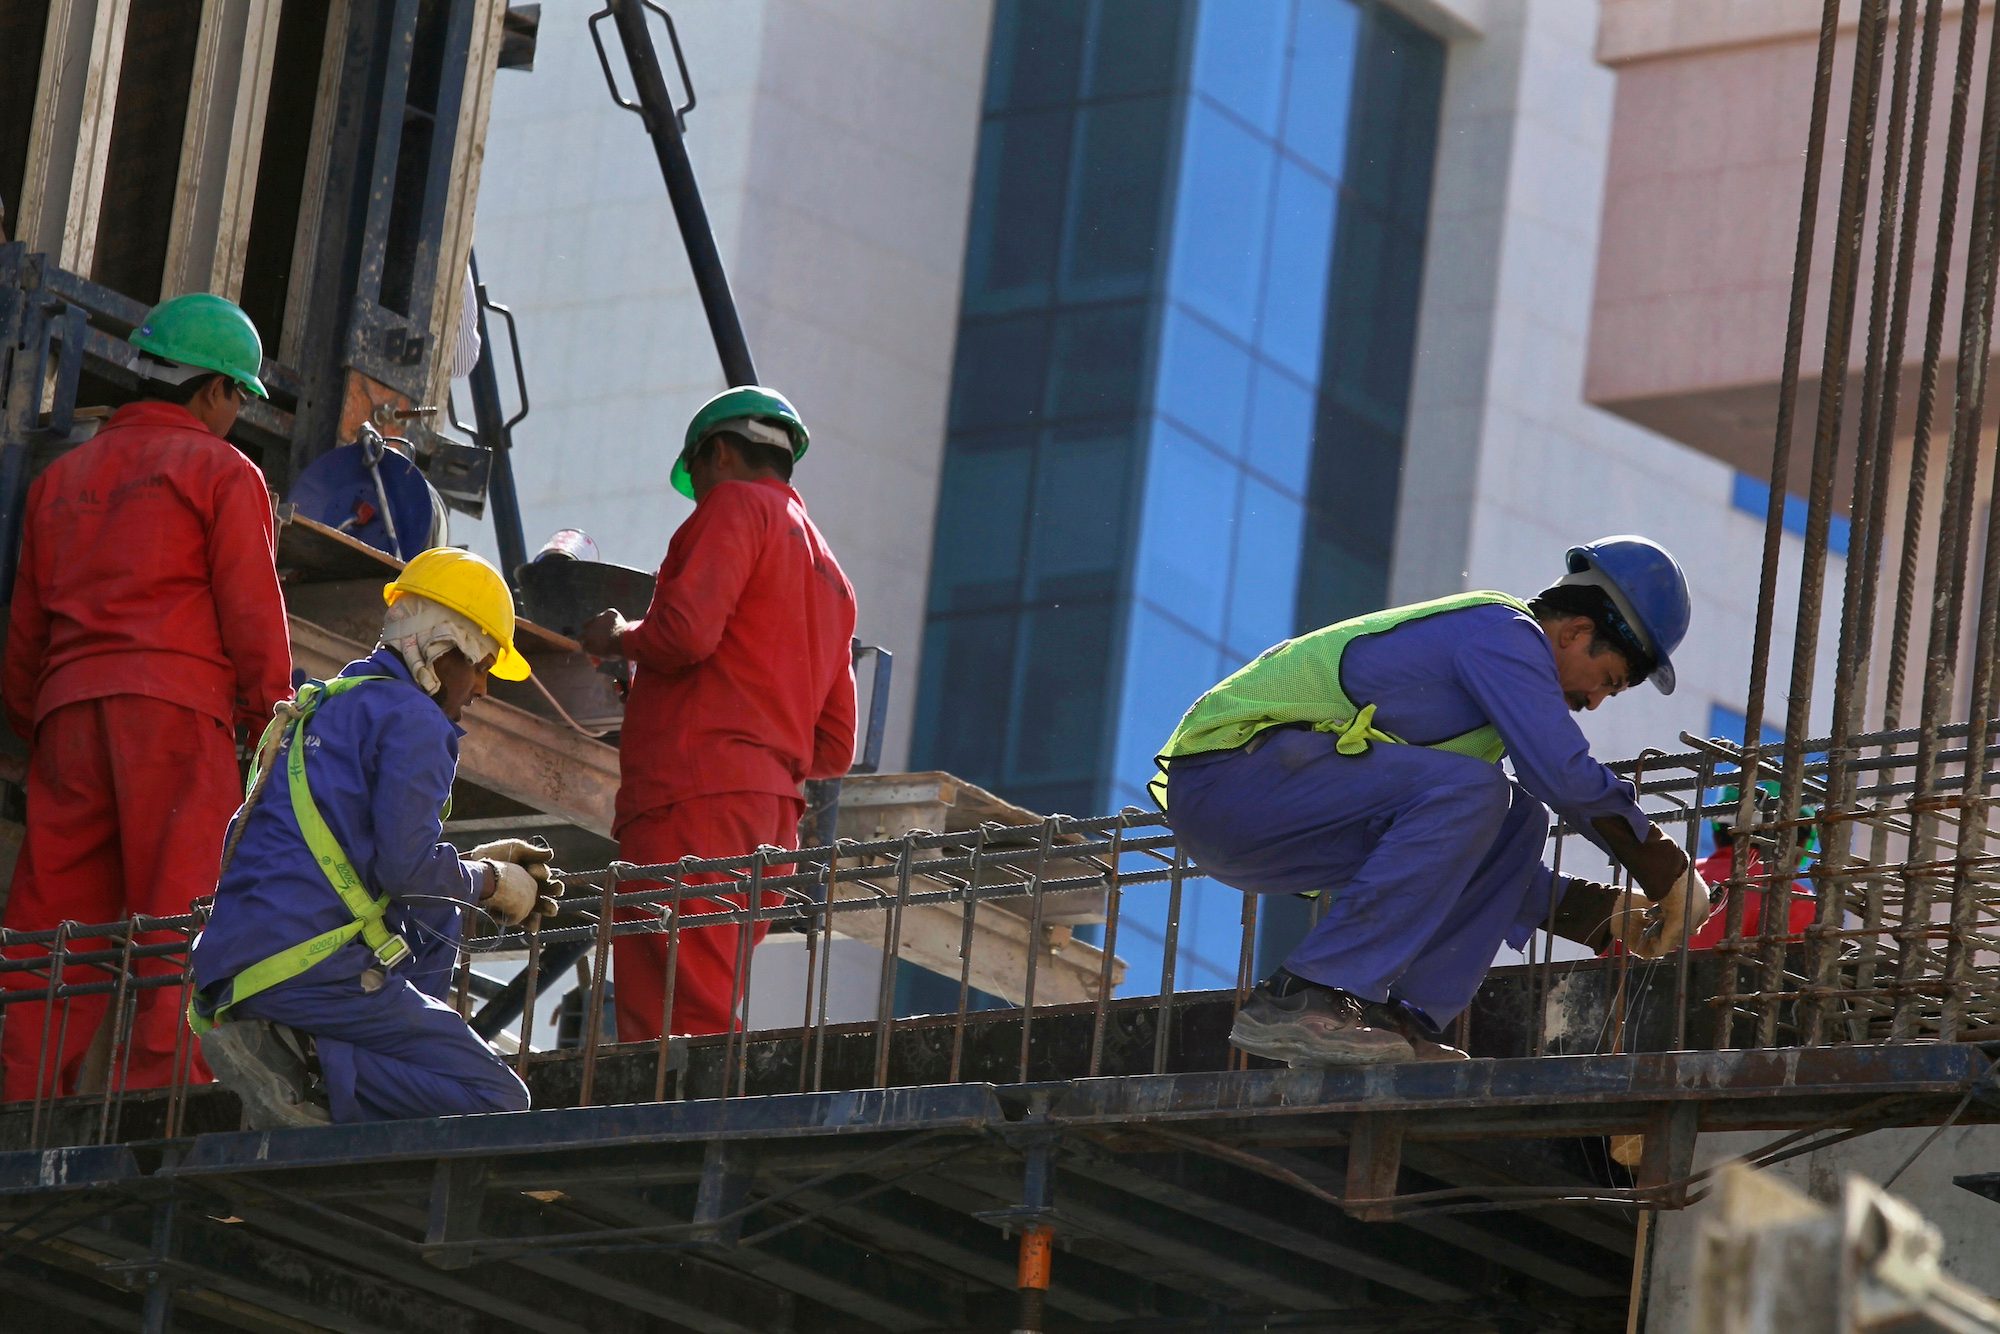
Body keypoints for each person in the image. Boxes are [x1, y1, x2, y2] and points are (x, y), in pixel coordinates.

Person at [1153, 537, 1705, 1066]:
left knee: (1514, 819)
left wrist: (1601, 915)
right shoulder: (1502, 633)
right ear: (1576, 631)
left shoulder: (1476, 728)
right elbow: (1563, 774)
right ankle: (1305, 996)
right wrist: (1668, 870)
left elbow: (1457, 856)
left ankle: (1398, 1022)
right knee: (1481, 793)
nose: (1594, 703)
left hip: (1274, 812)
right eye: (1607, 680)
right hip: (1230, 778)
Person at [1, 293, 291, 1102]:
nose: (239, 418)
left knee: (52, 928)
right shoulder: (223, 473)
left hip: (67, 719)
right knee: (182, 916)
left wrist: (39, 727)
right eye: (240, 399)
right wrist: (269, 726)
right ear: (213, 392)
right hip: (174, 718)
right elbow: (251, 618)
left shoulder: (61, 480)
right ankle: (163, 1099)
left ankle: (18, 1099)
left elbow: (24, 634)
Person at [190, 548, 559, 1127]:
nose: (483, 688)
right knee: (500, 1104)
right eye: (481, 665)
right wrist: (490, 881)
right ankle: (308, 1070)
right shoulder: (415, 720)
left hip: (238, 966)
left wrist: (462, 872)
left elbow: (383, 866)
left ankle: (316, 1060)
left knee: (441, 914)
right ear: (440, 649)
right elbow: (408, 874)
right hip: (309, 972)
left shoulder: (327, 703)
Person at [579, 386, 856, 1040]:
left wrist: (618, 636)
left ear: (722, 454)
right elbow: (835, 746)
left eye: (699, 476)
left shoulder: (736, 506)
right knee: (693, 1006)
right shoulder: (832, 574)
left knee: (673, 1026)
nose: (700, 496)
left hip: (692, 809)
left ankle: (683, 1143)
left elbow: (685, 633)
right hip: (768, 824)